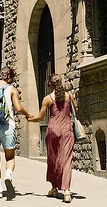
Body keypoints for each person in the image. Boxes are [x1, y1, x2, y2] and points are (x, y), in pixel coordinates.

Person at [0, 66, 33, 199]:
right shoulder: (12, 89)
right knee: (10, 157)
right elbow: (19, 108)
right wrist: (28, 114)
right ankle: (8, 175)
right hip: (8, 126)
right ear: (9, 77)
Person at [27, 73, 78, 203]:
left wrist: (30, 118)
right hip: (67, 131)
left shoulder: (48, 98)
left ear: (50, 84)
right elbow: (76, 111)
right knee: (66, 161)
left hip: (53, 131)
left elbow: (39, 117)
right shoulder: (69, 96)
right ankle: (66, 191)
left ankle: (54, 188)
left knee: (53, 159)